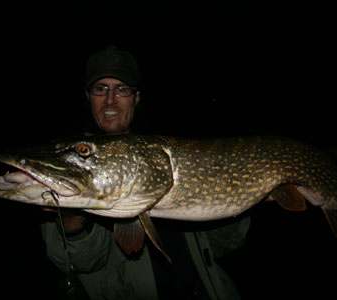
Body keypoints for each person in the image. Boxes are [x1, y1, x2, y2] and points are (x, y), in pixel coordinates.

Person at [40, 45, 250, 300]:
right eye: (100, 89)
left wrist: (248, 197)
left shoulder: (168, 151)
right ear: (87, 96)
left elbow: (224, 245)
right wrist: (71, 221)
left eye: (122, 89)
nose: (110, 100)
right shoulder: (72, 163)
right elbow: (78, 263)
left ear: (136, 97)